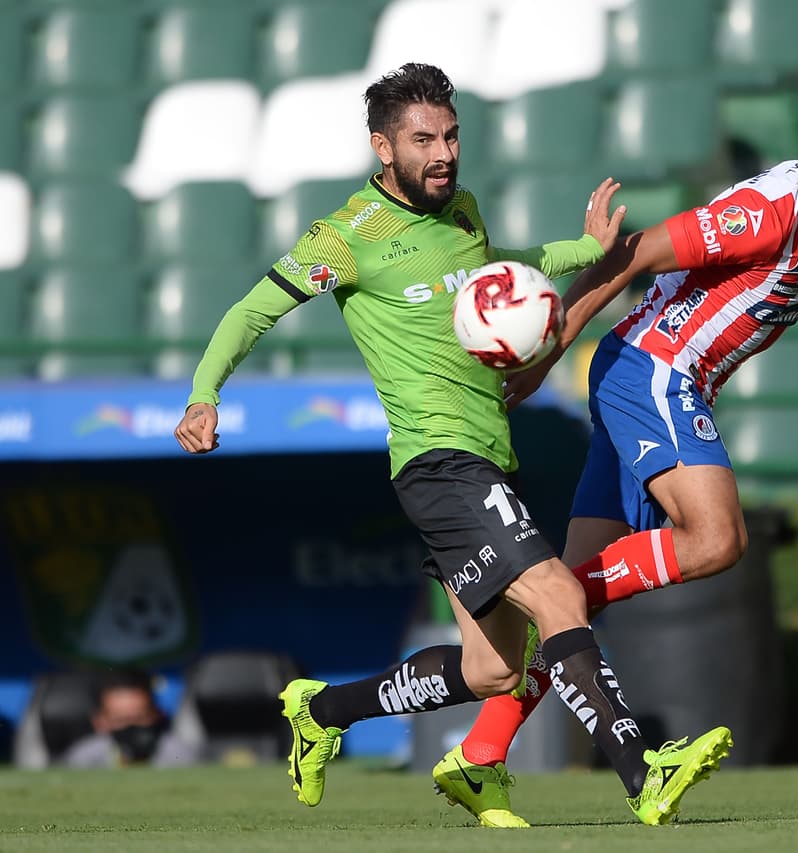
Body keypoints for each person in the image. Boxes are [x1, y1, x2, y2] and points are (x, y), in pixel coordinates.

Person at [172, 62, 732, 828]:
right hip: (439, 461)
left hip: (487, 454)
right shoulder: (347, 236)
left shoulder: (461, 209)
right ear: (382, 147)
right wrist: (205, 393)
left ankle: (324, 711)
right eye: (422, 138)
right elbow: (250, 312)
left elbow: (500, 274)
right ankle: (643, 771)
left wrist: (580, 248)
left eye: (451, 134)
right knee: (561, 596)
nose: (443, 152)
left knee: (494, 668)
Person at [431, 108, 798, 826]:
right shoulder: (767, 215)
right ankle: (554, 593)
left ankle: (481, 752)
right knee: (716, 538)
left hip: (648, 377)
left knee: (572, 614)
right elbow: (638, 252)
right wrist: (553, 343)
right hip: (655, 371)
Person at [62, 669, 196, 769]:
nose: (131, 727)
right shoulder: (84, 758)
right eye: (121, 720)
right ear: (100, 721)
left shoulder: (179, 754)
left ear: (157, 714)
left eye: (140, 718)